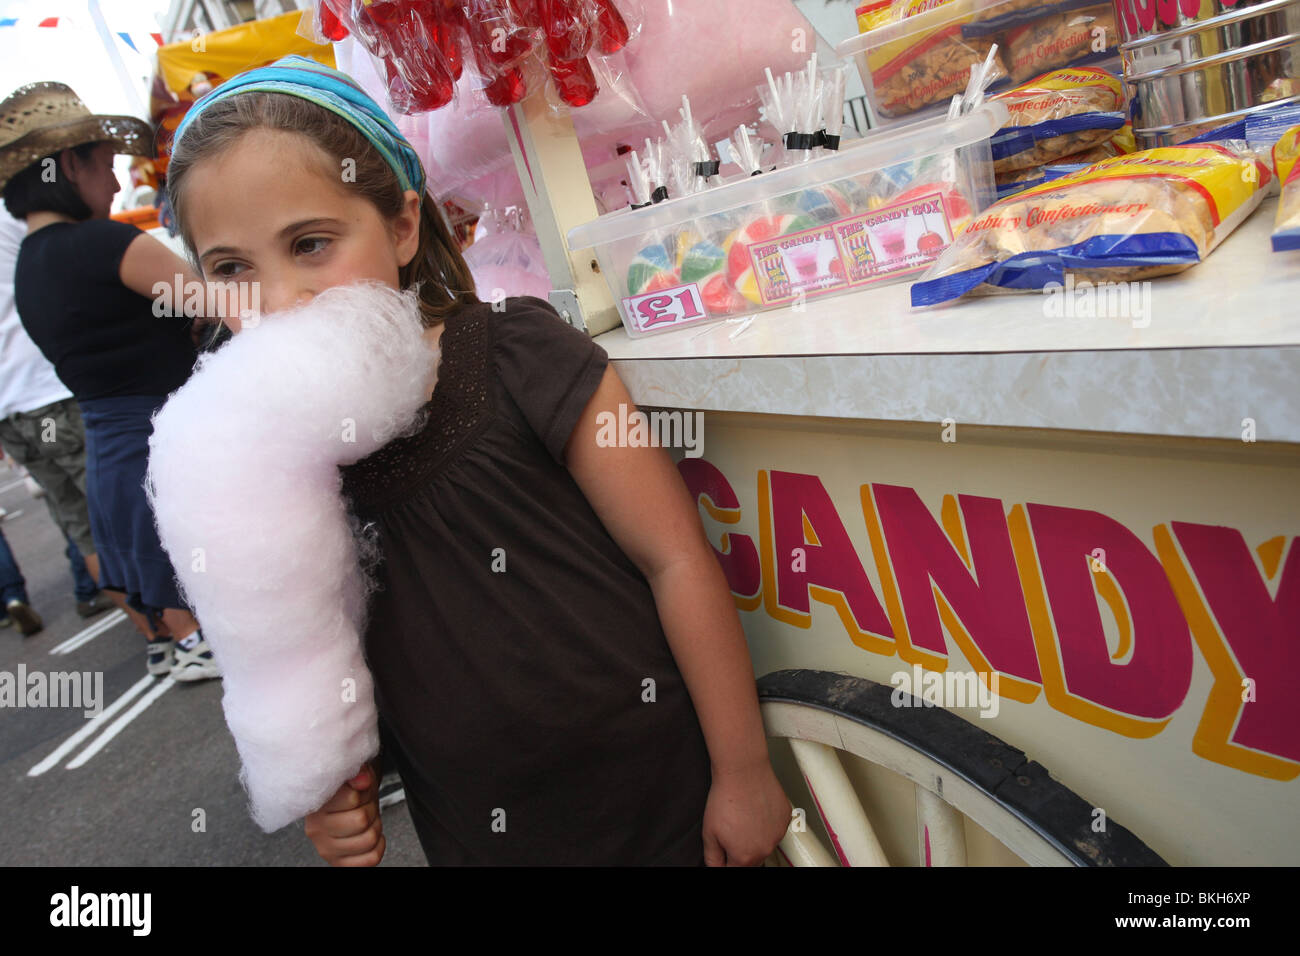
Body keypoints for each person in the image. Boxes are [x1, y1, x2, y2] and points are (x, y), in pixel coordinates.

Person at [165, 56, 791, 865]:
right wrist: (329, 786)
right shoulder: (280, 465)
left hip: (661, 792)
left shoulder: (518, 354)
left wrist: (743, 770)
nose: (279, 300)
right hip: (480, 831)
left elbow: (672, 556)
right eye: (232, 270)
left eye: (311, 245)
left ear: (401, 225)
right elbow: (318, 662)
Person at [0, 81, 220, 681]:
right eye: (105, 167)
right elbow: (221, 302)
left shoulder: (29, 269)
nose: (118, 184)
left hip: (112, 454)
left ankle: (170, 643)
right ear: (68, 165)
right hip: (171, 444)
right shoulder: (102, 242)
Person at [0, 208, 116, 625]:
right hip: (45, 394)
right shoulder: (13, 216)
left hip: (9, 413)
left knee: (78, 522)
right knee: (115, 509)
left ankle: (156, 637)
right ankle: (182, 631)